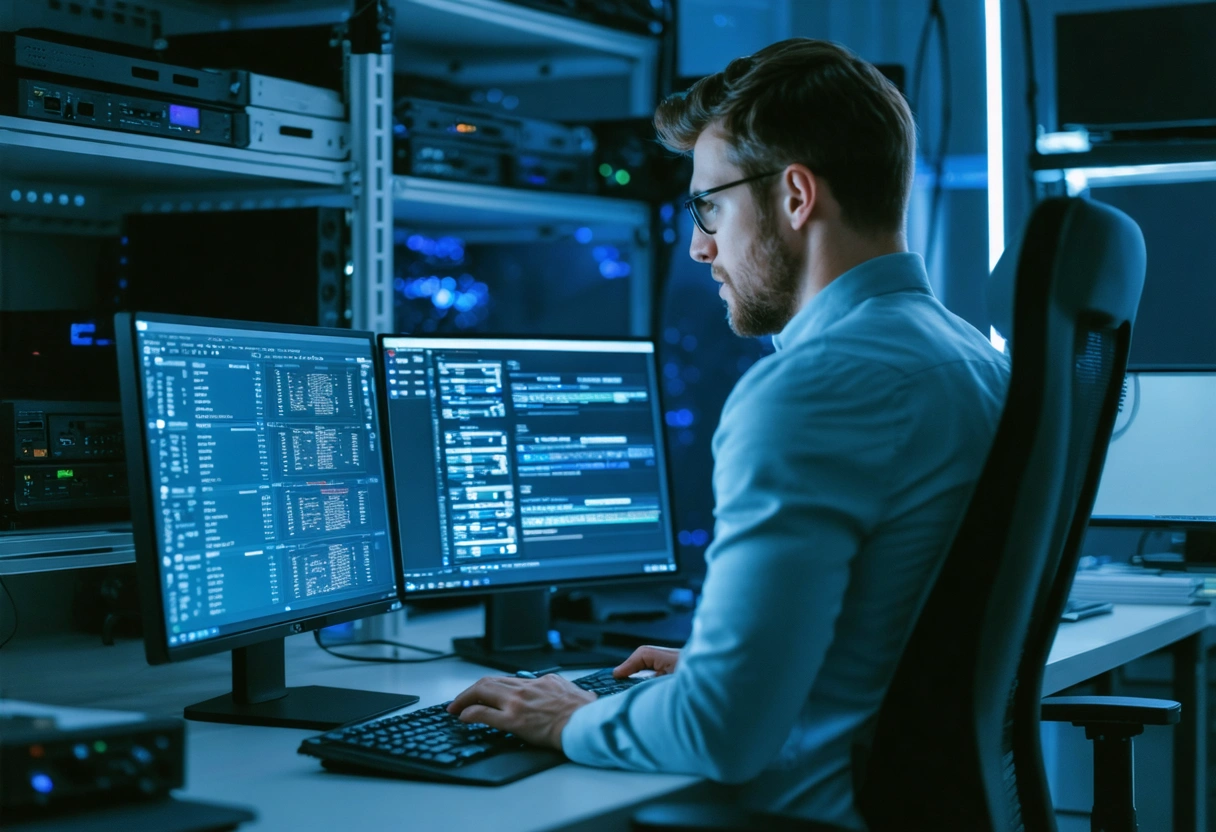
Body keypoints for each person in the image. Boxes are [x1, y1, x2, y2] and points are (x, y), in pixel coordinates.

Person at [447, 37, 1010, 828]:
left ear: (795, 197)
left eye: (709, 204)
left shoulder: (813, 389)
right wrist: (733, 667)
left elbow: (722, 735)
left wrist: (565, 717)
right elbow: (902, 633)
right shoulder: (974, 364)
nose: (698, 244)